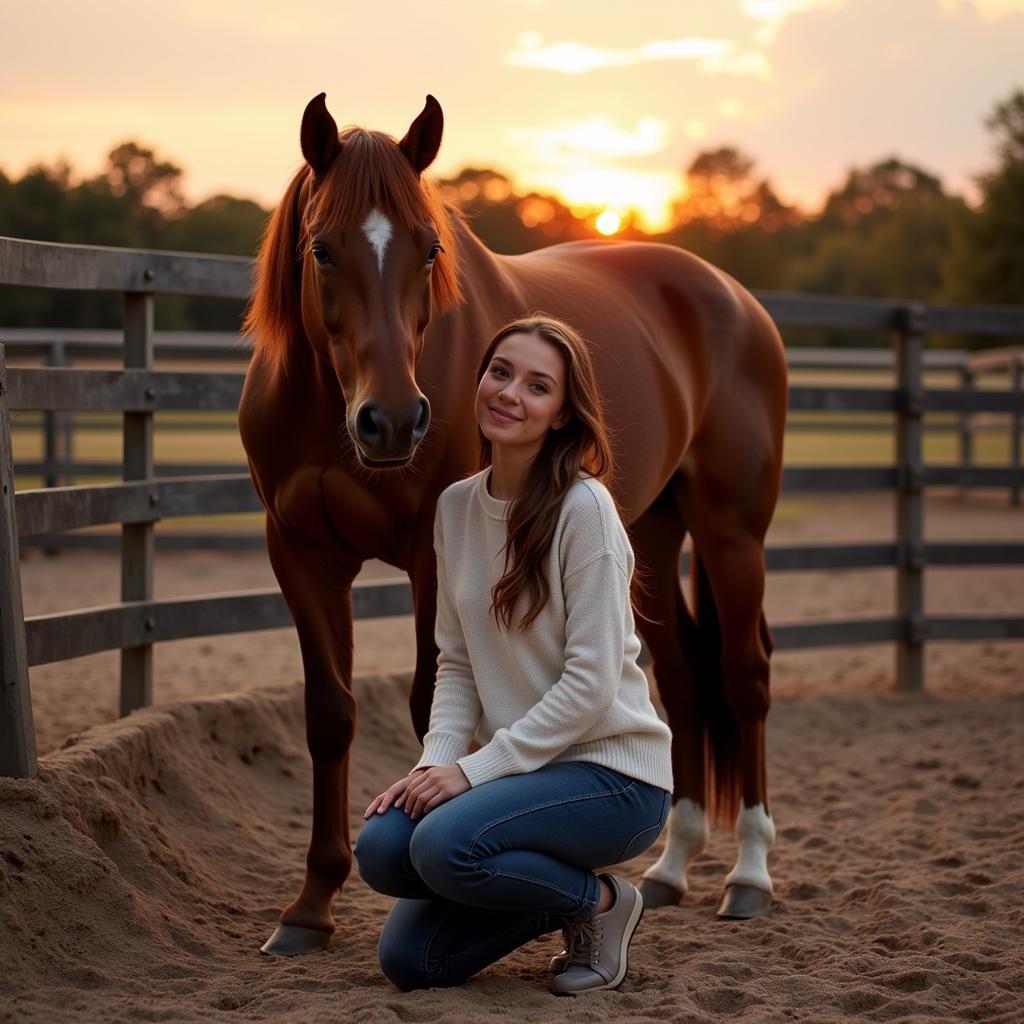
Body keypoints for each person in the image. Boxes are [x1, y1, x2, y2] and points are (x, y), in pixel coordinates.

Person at [354, 315, 673, 995]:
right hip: (522, 777)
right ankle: (549, 893)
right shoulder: (455, 508)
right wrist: (433, 765)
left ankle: (604, 905)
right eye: (500, 372)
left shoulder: (585, 510)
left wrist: (471, 775)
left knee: (443, 846)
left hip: (612, 776)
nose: (509, 393)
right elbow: (458, 663)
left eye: (537, 385)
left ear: (562, 414)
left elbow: (590, 686)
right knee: (387, 864)